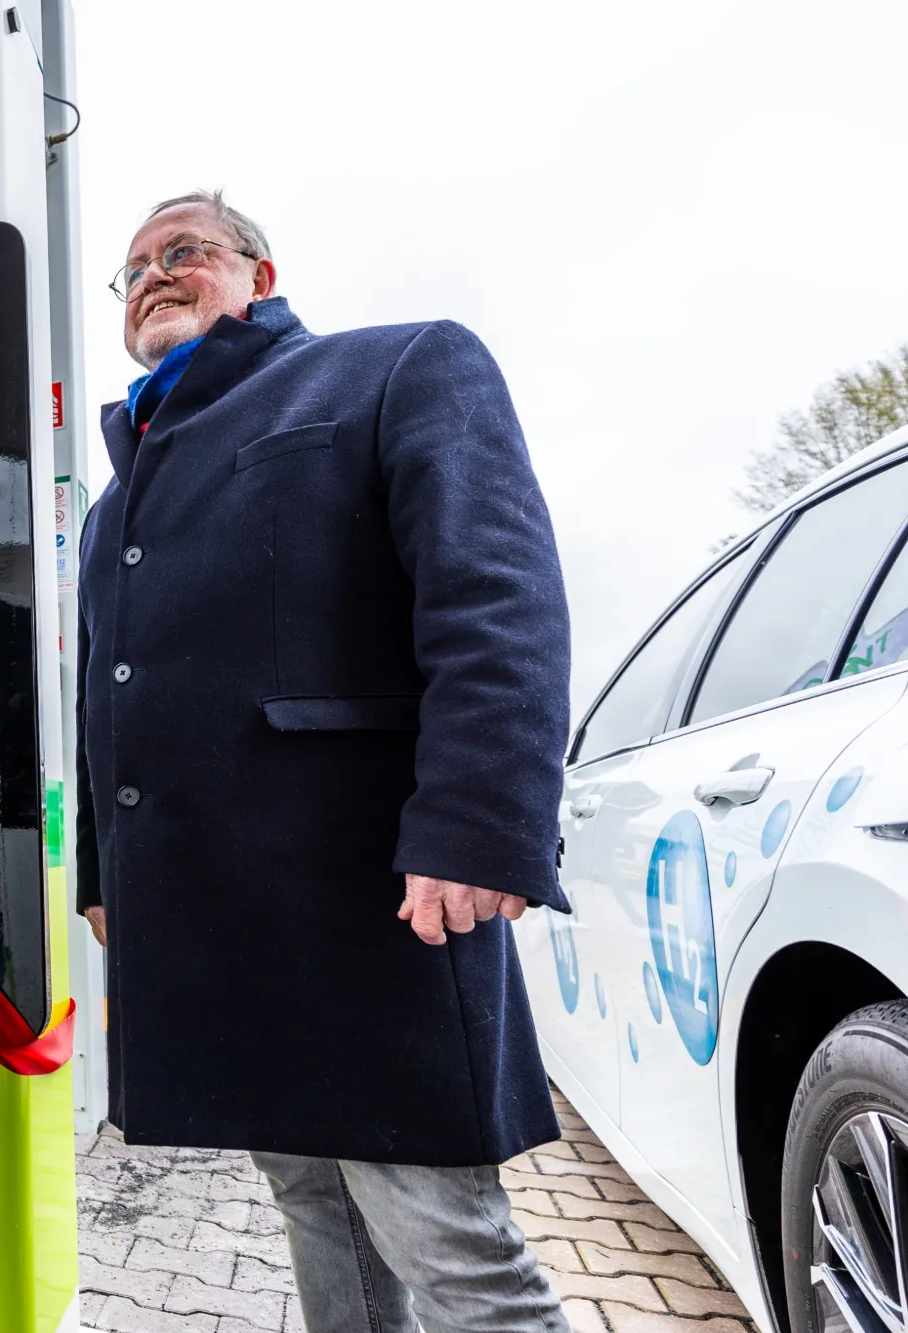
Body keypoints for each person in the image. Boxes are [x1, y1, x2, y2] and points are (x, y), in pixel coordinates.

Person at [75, 190, 573, 1331]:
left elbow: (494, 598)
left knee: (451, 1251)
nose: (151, 274)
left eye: (183, 251)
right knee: (309, 1200)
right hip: (219, 920)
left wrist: (477, 821)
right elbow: (106, 686)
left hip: (369, 907)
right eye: (134, 268)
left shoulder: (394, 369)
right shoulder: (119, 502)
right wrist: (106, 870)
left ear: (259, 274)